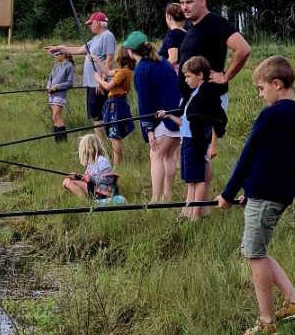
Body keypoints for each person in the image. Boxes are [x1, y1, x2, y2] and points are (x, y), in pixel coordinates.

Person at [214, 56, 295, 335]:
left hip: (265, 194)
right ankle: (294, 300)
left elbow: (248, 155)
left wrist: (226, 193)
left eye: (261, 89)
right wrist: (247, 189)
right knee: (255, 249)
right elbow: (272, 158)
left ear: (277, 84)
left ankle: (266, 322)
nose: (260, 95)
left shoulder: (271, 115)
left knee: (254, 254)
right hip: (278, 193)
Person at [178, 0, 252, 162]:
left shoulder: (216, 23)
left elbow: (243, 49)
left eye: (189, 2)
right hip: (190, 99)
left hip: (207, 101)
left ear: (202, 1)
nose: (184, 7)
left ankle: (202, 190)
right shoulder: (191, 27)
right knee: (192, 155)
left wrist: (225, 76)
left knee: (202, 156)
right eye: (181, 3)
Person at [156, 56, 227, 221]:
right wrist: (167, 115)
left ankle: (195, 217)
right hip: (186, 140)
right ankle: (188, 212)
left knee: (199, 180)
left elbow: (217, 120)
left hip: (197, 142)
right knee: (191, 180)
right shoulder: (192, 95)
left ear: (200, 75)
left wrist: (211, 145)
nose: (186, 80)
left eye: (188, 76)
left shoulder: (206, 94)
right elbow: (183, 122)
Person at [125, 30, 181, 202]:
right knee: (169, 156)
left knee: (156, 156)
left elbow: (145, 103)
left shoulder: (142, 70)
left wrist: (148, 129)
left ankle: (155, 199)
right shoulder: (164, 62)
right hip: (177, 118)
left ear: (130, 51)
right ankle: (167, 196)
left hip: (162, 121)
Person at [47, 12, 116, 139]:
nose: (89, 26)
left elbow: (109, 59)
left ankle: (102, 145)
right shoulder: (95, 39)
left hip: (98, 84)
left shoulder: (107, 36)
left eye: (91, 23)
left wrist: (103, 79)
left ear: (98, 23)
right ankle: (101, 145)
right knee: (95, 116)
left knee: (98, 117)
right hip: (92, 84)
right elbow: (78, 50)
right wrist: (58, 48)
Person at [93, 47, 135, 165]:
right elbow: (107, 72)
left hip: (116, 104)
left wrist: (98, 79)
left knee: (114, 135)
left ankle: (118, 165)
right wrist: (96, 60)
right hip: (116, 103)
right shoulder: (123, 71)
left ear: (121, 57)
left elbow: (108, 86)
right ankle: (117, 164)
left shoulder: (123, 72)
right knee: (113, 135)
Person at [62, 134, 118, 200]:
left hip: (103, 191)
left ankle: (85, 203)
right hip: (93, 188)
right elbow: (87, 179)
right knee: (67, 181)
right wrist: (77, 177)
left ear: (89, 149)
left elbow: (109, 179)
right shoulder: (90, 163)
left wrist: (91, 178)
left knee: (67, 182)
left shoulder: (102, 161)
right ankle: (86, 201)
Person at [46, 50, 74, 143]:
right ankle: (58, 141)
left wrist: (57, 87)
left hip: (60, 94)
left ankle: (62, 140)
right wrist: (49, 86)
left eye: (57, 54)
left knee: (56, 116)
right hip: (51, 94)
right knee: (54, 118)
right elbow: (50, 77)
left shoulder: (69, 66)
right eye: (55, 55)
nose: (56, 56)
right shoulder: (56, 66)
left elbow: (69, 83)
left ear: (64, 55)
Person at [158, 3, 187, 73]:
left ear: (169, 17)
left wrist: (158, 68)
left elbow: (173, 59)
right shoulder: (186, 33)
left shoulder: (173, 34)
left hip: (172, 73)